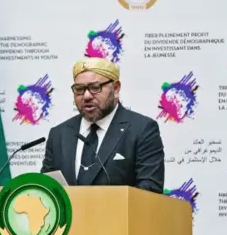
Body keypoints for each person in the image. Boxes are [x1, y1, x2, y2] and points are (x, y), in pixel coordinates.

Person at [41, 57, 165, 193]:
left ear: (116, 89)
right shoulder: (59, 134)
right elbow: (47, 189)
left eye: (95, 87)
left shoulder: (142, 129)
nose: (86, 96)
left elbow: (150, 190)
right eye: (79, 89)